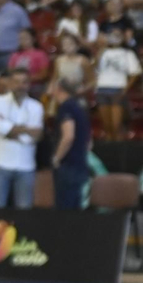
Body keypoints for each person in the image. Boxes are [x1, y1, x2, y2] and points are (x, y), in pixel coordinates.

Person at [0, 68, 43, 209]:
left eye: (24, 82)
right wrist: (26, 130)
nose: (20, 86)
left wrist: (9, 130)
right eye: (16, 82)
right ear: (10, 83)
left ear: (29, 85)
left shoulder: (36, 107)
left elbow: (33, 138)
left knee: (24, 212)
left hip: (26, 167)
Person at [94, 25, 143, 140]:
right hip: (102, 88)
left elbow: (135, 73)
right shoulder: (103, 52)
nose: (115, 37)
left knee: (117, 125)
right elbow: (95, 69)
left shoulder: (128, 54)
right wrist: (101, 49)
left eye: (118, 34)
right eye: (112, 35)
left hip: (118, 88)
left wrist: (125, 88)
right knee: (107, 126)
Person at [49, 78, 91, 209]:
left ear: (59, 89)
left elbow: (68, 136)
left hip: (68, 166)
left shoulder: (66, 107)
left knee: (65, 209)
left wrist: (57, 158)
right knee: (75, 208)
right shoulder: (79, 107)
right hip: (80, 163)